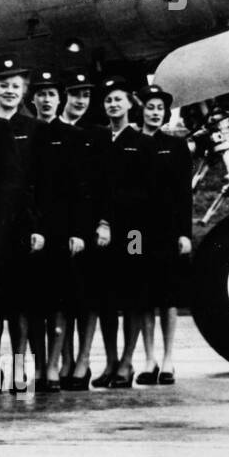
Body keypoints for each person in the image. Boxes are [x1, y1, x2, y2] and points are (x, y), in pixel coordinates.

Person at [0, 55, 44, 392]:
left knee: (21, 302)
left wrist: (36, 225)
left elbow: (38, 181)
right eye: (4, 85)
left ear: (24, 92)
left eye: (16, 86)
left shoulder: (32, 128)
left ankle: (20, 366)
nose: (9, 91)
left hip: (23, 223)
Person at [26, 69, 86, 391]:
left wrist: (77, 230)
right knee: (35, 303)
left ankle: (53, 366)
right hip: (33, 227)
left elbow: (79, 188)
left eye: (51, 94)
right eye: (41, 94)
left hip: (63, 228)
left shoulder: (72, 135)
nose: (47, 100)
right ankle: (38, 366)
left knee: (61, 302)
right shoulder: (25, 132)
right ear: (32, 99)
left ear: (60, 99)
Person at [91, 77, 151, 389]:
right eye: (108, 100)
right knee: (105, 297)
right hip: (104, 230)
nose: (113, 105)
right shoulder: (100, 139)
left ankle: (127, 362)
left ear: (130, 103)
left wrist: (111, 219)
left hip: (134, 231)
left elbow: (143, 190)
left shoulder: (141, 141)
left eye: (118, 99)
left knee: (133, 295)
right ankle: (111, 361)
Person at [134, 84, 192, 386]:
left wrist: (184, 233)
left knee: (167, 297)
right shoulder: (131, 143)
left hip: (167, 229)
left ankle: (169, 359)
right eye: (150, 107)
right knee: (144, 296)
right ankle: (149, 359)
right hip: (137, 231)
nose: (155, 113)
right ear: (141, 110)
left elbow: (184, 194)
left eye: (159, 108)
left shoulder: (176, 146)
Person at [58, 69, 105, 390]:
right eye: (75, 94)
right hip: (60, 224)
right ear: (65, 96)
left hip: (89, 224)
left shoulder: (97, 134)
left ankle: (83, 361)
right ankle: (65, 359)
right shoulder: (50, 131)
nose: (80, 100)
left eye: (86, 95)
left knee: (88, 298)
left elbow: (105, 183)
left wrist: (103, 222)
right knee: (62, 298)